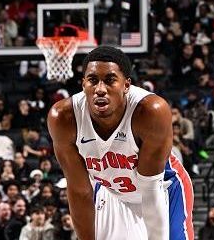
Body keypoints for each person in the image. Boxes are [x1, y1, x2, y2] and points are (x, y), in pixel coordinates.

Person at [48, 46, 194, 240]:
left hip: (163, 189)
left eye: (109, 80)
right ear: (83, 84)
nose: (100, 89)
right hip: (111, 191)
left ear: (126, 85)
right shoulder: (63, 118)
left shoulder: (150, 112)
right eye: (92, 80)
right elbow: (79, 191)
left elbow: (151, 190)